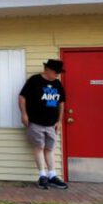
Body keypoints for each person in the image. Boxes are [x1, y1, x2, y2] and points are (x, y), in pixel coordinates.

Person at [19, 59, 68, 190]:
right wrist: (24, 114)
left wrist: (59, 120)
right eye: (56, 72)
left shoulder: (57, 84)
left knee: (50, 149)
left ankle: (52, 175)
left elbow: (61, 103)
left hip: (51, 124)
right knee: (39, 148)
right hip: (35, 122)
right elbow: (22, 97)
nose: (57, 75)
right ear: (48, 70)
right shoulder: (34, 80)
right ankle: (42, 176)